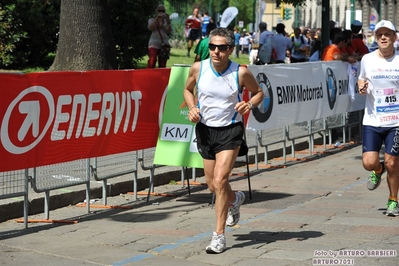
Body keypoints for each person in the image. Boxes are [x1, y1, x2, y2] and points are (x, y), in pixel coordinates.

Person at [183, 27, 264, 253]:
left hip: (230, 130)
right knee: (212, 185)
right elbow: (187, 90)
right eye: (212, 47)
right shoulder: (199, 68)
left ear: (230, 49)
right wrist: (192, 107)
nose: (216, 51)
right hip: (206, 131)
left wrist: (249, 104)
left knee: (220, 180)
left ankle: (218, 237)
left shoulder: (240, 72)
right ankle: (235, 198)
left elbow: (259, 92)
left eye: (221, 48)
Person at [357, 20, 399, 217]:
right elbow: (362, 77)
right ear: (376, 38)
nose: (383, 37)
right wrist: (361, 86)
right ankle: (377, 169)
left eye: (387, 34)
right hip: (373, 119)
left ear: (394, 37)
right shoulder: (367, 59)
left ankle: (393, 200)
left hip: (395, 121)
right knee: (368, 162)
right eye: (380, 34)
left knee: (393, 163)